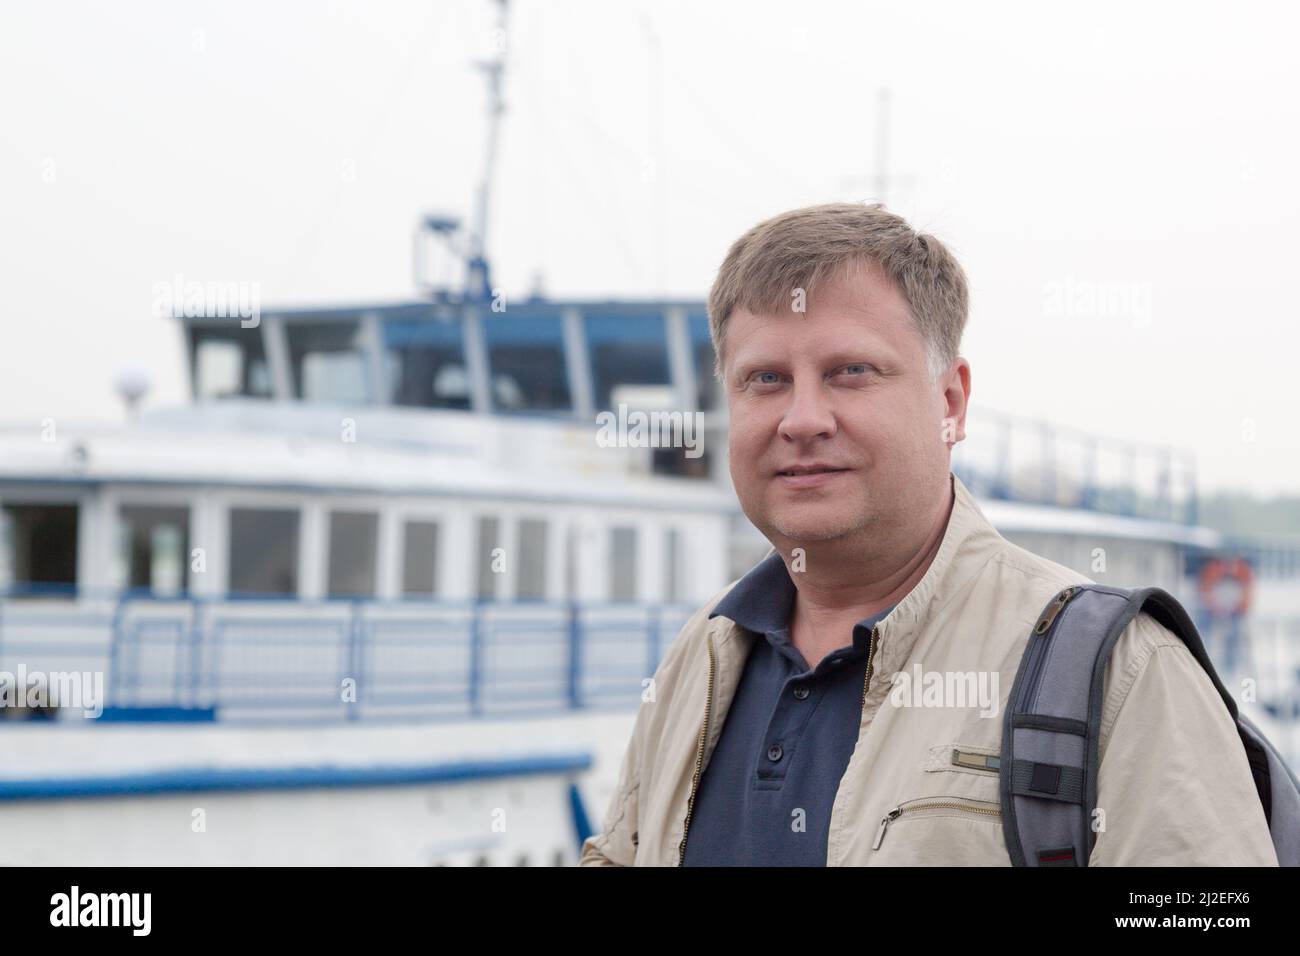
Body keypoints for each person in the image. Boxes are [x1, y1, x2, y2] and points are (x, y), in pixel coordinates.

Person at [578, 201, 1278, 866]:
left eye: (851, 373)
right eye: (765, 379)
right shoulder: (700, 658)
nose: (802, 419)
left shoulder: (1122, 674)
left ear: (950, 402)